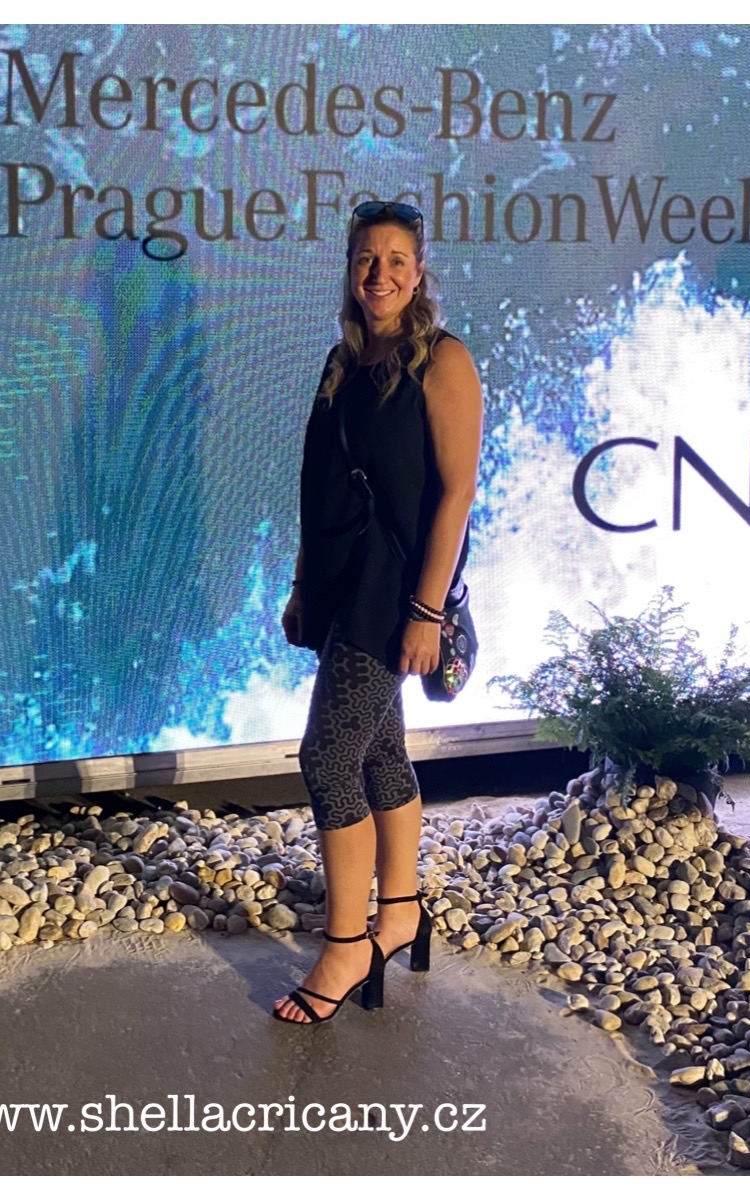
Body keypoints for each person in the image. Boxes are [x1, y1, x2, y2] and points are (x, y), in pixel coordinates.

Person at [274, 200, 483, 1024]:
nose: (380, 273)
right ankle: (399, 913)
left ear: (419, 272)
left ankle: (346, 945)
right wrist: (303, 585)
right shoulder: (344, 360)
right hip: (341, 584)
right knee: (379, 751)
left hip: (395, 595)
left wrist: (426, 611)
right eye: (367, 258)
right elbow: (317, 485)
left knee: (328, 759)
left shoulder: (444, 360)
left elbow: (456, 496)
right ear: (350, 268)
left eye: (397, 259)